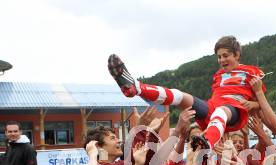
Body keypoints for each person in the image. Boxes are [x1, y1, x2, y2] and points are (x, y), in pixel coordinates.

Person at [108, 35, 266, 151]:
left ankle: (206, 141)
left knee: (221, 111)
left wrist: (254, 103)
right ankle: (136, 87)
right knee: (181, 96)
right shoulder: (218, 74)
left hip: (234, 109)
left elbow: (263, 104)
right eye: (219, 57)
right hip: (214, 106)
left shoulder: (252, 72)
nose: (222, 60)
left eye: (226, 56)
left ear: (237, 54)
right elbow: (215, 98)